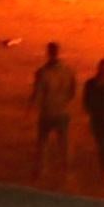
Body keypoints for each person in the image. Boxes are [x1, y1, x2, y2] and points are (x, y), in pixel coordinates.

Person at [27, 43, 76, 182]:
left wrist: (31, 107)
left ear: (48, 53)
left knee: (42, 143)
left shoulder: (42, 72)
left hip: (48, 112)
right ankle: (66, 172)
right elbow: (72, 92)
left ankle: (40, 171)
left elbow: (37, 94)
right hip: (62, 111)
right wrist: (64, 102)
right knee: (64, 144)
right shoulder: (68, 71)